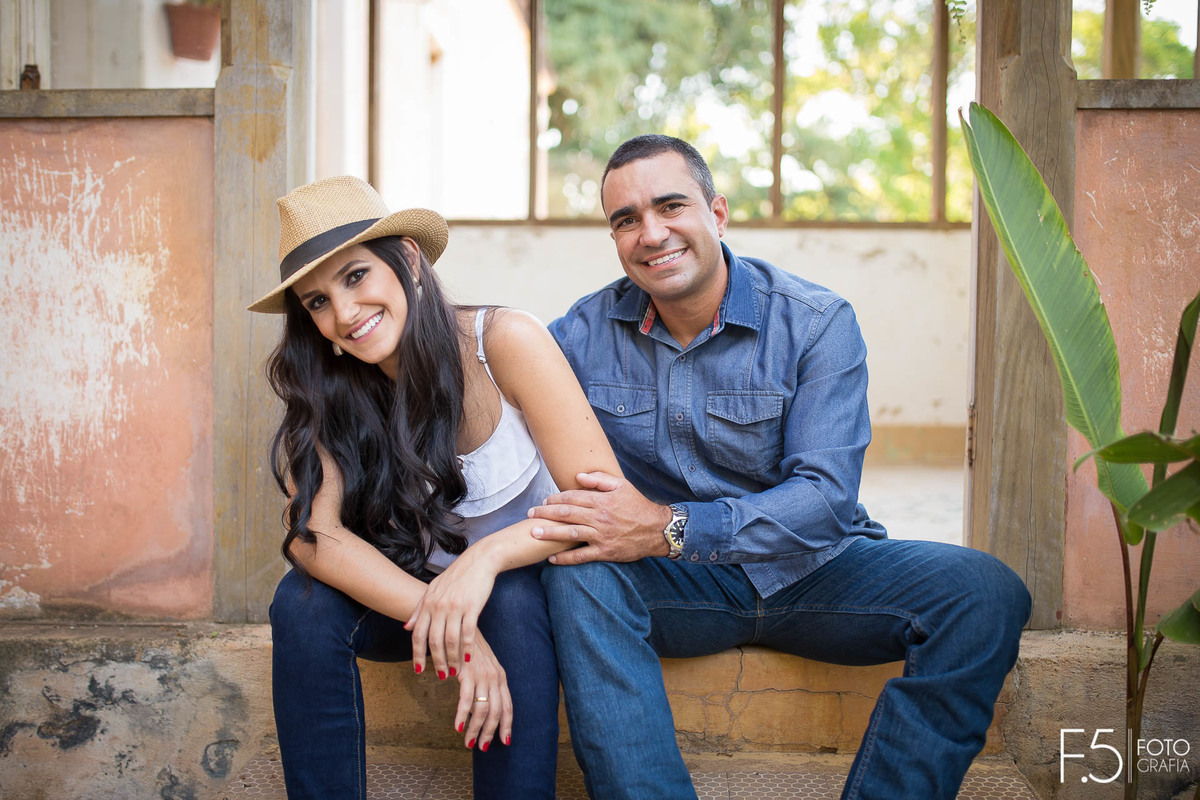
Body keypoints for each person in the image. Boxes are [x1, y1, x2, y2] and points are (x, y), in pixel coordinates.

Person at [526, 135, 1032, 800]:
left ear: (718, 213)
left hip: (820, 571)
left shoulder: (817, 323)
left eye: (670, 206)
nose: (651, 234)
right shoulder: (577, 337)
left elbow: (824, 500)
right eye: (626, 220)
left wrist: (669, 526)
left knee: (985, 590)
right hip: (680, 588)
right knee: (577, 575)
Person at [249, 176, 620, 800]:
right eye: (316, 302)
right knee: (302, 601)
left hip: (522, 599)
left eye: (355, 276)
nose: (342, 314)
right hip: (410, 603)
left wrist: (485, 560)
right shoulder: (326, 386)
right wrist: (453, 626)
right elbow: (315, 537)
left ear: (410, 261)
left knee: (513, 597)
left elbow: (604, 506)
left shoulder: (504, 342)